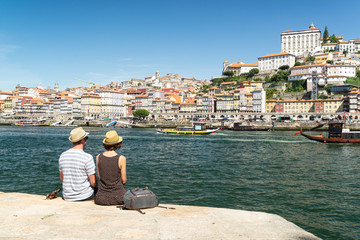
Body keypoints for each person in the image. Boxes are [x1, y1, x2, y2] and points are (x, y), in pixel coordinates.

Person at [59, 127, 97, 201]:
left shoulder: (63, 155)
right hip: (85, 196)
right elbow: (93, 183)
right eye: (86, 138)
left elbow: (62, 178)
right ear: (83, 140)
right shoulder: (87, 157)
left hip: (67, 196)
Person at [95, 130, 127, 205]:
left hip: (100, 198)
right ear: (118, 144)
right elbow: (124, 180)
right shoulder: (121, 158)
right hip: (119, 197)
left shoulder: (98, 157)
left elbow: (100, 177)